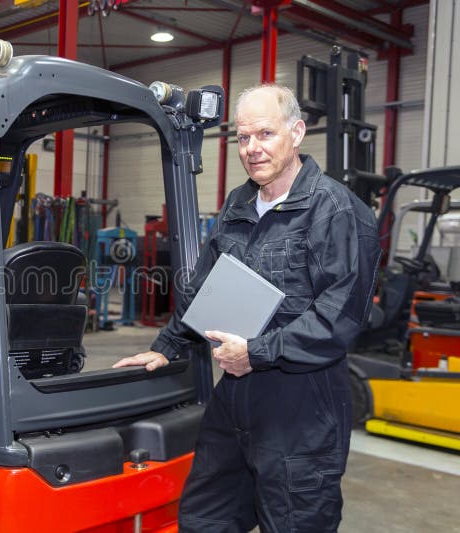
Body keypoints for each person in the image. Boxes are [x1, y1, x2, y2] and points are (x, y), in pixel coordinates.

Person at [114, 84, 381, 532]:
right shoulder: (239, 204)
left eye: (265, 134)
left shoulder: (335, 211)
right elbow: (208, 289)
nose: (252, 149)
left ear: (296, 133)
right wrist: (167, 346)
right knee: (205, 517)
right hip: (235, 398)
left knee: (295, 520)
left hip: (302, 404)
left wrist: (255, 353)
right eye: (242, 138)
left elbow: (339, 318)